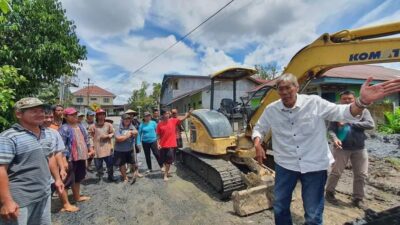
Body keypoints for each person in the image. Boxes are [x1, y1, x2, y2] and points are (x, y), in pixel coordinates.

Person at [252, 73, 400, 225]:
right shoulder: (272, 109)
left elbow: (341, 112)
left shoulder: (314, 103)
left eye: (288, 88)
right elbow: (259, 128)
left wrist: (362, 102)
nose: (284, 92)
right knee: (280, 206)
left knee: (313, 212)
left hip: (314, 165)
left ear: (296, 87)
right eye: (280, 89)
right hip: (285, 165)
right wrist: (257, 143)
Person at [0, 97, 64, 224]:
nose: (40, 114)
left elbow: (50, 157)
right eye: (34, 111)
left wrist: (57, 179)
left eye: (41, 110)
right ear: (19, 114)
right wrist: (6, 201)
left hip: (44, 194)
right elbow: (1, 169)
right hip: (19, 200)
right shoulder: (9, 137)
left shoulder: (47, 133)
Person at [325, 91, 374, 209]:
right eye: (344, 99)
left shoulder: (364, 111)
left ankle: (358, 198)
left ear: (354, 99)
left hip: (359, 148)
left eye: (350, 99)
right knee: (336, 172)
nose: (347, 101)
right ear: (340, 100)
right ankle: (329, 193)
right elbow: (330, 130)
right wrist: (335, 139)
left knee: (361, 174)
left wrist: (350, 123)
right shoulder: (336, 113)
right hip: (341, 148)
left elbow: (370, 124)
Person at [43, 105, 79, 212]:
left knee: (59, 183)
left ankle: (65, 203)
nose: (49, 119)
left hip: (55, 166)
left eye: (50, 117)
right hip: (42, 169)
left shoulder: (54, 133)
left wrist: (63, 166)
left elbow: (59, 151)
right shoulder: (32, 134)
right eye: (46, 117)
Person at [59, 107, 94, 204]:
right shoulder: (64, 128)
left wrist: (90, 149)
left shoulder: (80, 126)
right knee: (66, 181)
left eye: (75, 114)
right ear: (65, 117)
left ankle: (77, 197)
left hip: (81, 156)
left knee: (78, 178)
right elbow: (62, 146)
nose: (75, 116)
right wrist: (64, 160)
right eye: (72, 114)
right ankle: (65, 204)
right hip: (69, 158)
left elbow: (86, 139)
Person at [157, 109, 190, 181]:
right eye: (166, 113)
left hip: (171, 145)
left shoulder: (173, 120)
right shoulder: (159, 124)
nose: (167, 115)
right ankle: (167, 172)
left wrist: (186, 115)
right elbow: (158, 136)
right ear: (162, 115)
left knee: (169, 161)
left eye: (168, 113)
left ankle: (165, 175)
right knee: (165, 161)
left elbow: (181, 119)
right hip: (163, 145)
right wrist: (158, 144)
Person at [88, 109, 116, 182]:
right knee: (98, 165)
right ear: (96, 116)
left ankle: (111, 176)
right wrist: (91, 148)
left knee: (110, 164)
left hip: (107, 148)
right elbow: (90, 138)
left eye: (103, 114)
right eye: (99, 115)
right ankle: (100, 177)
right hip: (97, 149)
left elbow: (113, 133)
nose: (101, 116)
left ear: (105, 115)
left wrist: (108, 136)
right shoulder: (92, 126)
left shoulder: (108, 125)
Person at [114, 114, 138, 182]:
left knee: (133, 162)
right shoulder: (117, 127)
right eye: (125, 119)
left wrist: (135, 132)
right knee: (122, 164)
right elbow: (118, 138)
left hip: (130, 149)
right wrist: (128, 135)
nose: (127, 120)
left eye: (128, 119)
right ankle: (125, 177)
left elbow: (136, 131)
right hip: (119, 150)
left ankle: (134, 174)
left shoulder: (131, 126)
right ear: (122, 120)